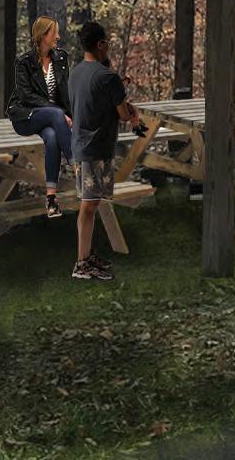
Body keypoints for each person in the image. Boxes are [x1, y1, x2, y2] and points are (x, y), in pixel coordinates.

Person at [68, 21, 138, 281]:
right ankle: (81, 264)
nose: (108, 46)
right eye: (106, 42)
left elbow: (89, 100)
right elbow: (123, 114)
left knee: (92, 203)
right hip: (96, 148)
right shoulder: (107, 77)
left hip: (81, 145)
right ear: (100, 44)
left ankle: (87, 257)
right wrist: (129, 106)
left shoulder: (76, 73)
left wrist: (117, 84)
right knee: (88, 206)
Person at [7, 16, 73, 218]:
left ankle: (51, 199)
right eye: (55, 33)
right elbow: (26, 96)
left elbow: (65, 93)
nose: (58, 37)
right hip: (26, 117)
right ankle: (77, 165)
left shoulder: (61, 58)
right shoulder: (24, 62)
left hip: (52, 118)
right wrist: (58, 112)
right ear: (43, 35)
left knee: (52, 138)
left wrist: (71, 116)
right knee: (56, 113)